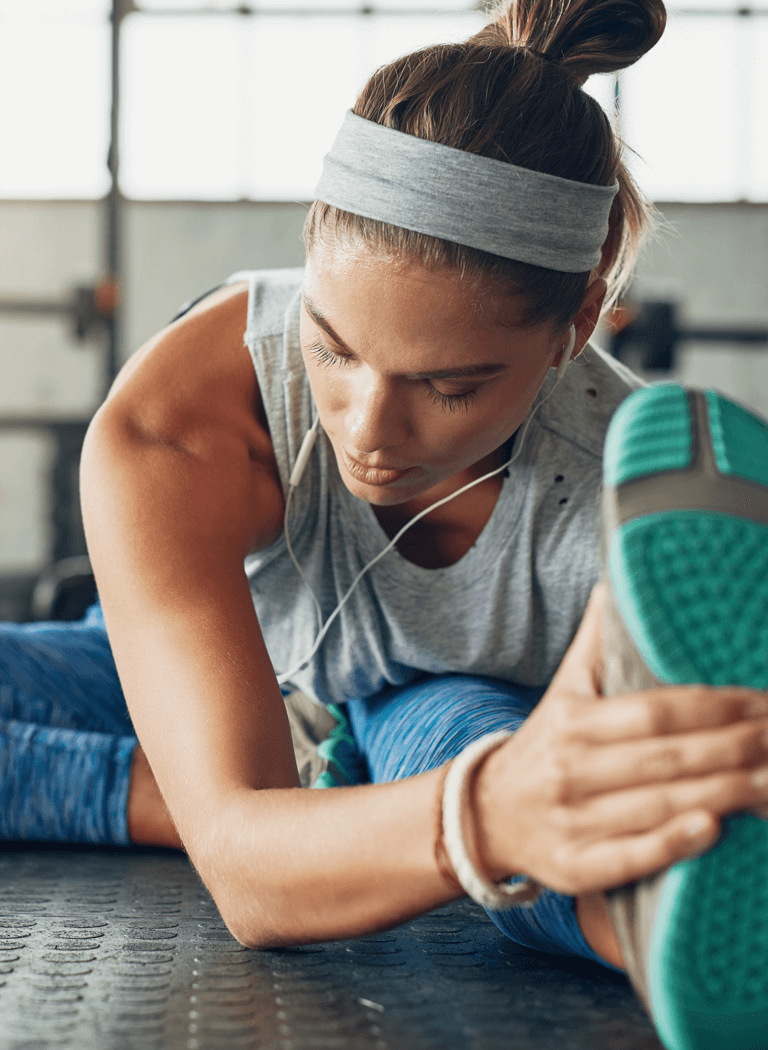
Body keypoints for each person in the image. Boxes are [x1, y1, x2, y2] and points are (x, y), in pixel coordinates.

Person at [2, 1, 768, 1047]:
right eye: (332, 346)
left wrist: (509, 803)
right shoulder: (176, 422)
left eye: (448, 386)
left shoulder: (615, 497)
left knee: (486, 755)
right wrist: (234, 803)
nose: (370, 430)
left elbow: (285, 885)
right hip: (238, 673)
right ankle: (222, 791)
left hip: (448, 718)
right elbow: (247, 867)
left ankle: (641, 923)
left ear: (576, 325)